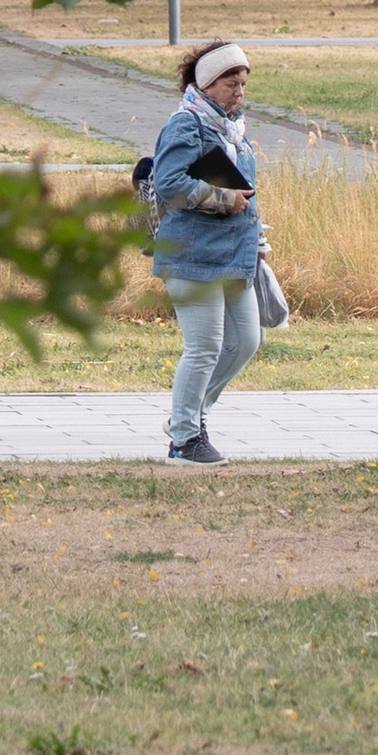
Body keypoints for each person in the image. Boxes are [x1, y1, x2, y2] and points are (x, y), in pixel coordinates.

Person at [149, 39, 262, 466]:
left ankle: (190, 415)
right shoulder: (186, 125)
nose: (239, 91)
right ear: (207, 83)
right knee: (204, 348)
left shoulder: (233, 129)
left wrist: (258, 245)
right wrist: (221, 199)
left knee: (247, 341)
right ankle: (183, 439)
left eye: (243, 83)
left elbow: (248, 195)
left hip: (234, 255)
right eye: (231, 82)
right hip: (192, 255)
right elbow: (169, 183)